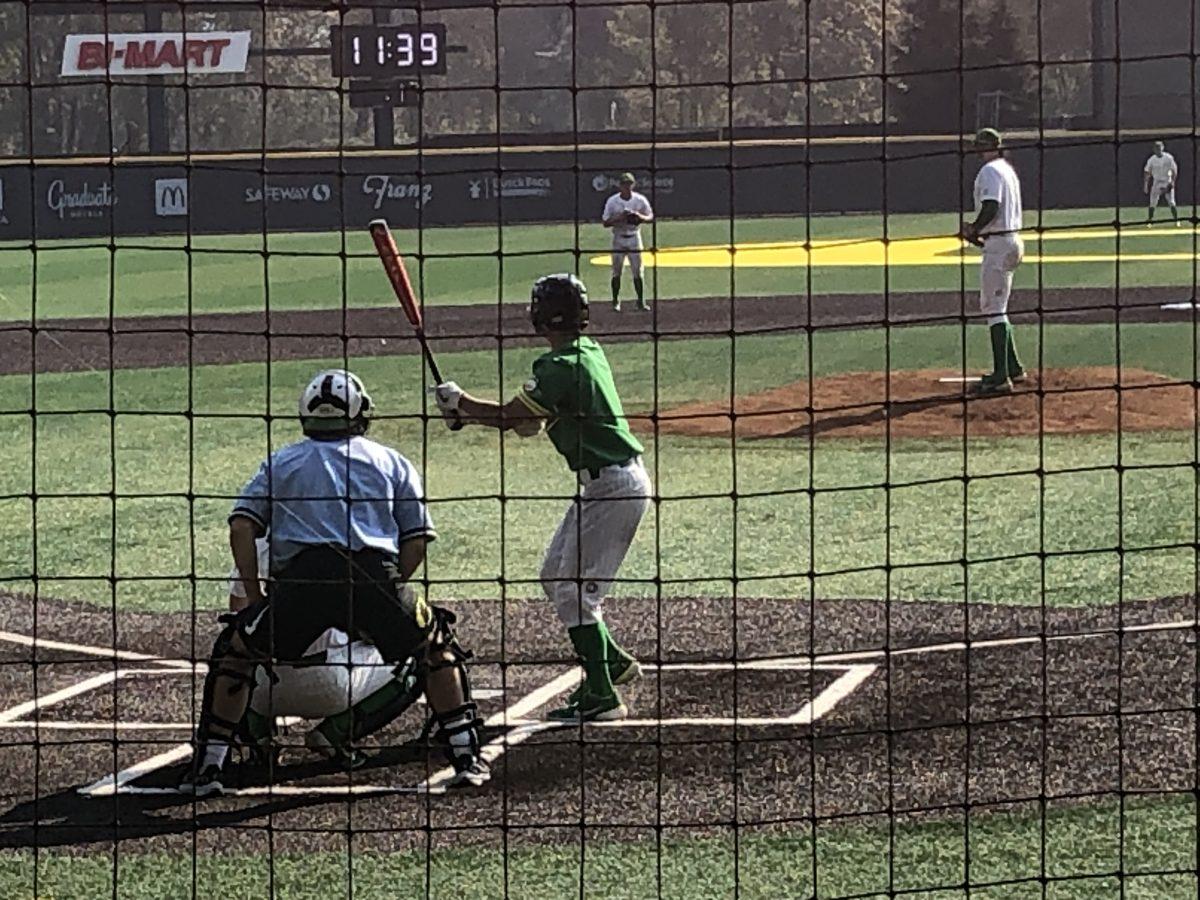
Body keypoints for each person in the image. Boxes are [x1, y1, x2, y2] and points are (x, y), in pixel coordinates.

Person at [179, 369, 488, 796]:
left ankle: (208, 768)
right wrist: (390, 593)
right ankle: (467, 755)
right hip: (372, 577)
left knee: (235, 650)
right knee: (436, 645)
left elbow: (241, 526)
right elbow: (416, 541)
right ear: (362, 413)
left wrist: (255, 597)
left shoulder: (280, 462)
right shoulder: (390, 461)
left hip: (300, 585)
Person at [432, 274, 651, 722]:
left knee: (574, 594)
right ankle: (612, 662)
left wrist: (460, 402)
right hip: (607, 485)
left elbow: (512, 417)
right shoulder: (586, 352)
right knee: (556, 576)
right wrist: (470, 415)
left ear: (541, 315)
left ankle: (602, 696)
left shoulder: (558, 367)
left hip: (614, 487)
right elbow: (530, 421)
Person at [228, 538, 424, 772]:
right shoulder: (355, 548)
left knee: (234, 653)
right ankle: (335, 733)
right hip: (332, 686)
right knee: (415, 654)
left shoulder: (257, 544)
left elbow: (237, 613)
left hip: (259, 689)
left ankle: (258, 738)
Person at [960, 128, 1025, 396]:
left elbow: (991, 206)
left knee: (992, 307)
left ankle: (1001, 377)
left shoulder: (989, 171)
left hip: (1000, 245)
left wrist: (974, 228)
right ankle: (1013, 367)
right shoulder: (1007, 169)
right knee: (999, 307)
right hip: (1011, 241)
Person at [601, 173, 654, 312]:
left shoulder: (639, 199)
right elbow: (605, 222)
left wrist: (639, 217)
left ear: (633, 185)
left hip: (634, 237)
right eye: (624, 184)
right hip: (618, 238)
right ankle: (615, 301)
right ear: (620, 186)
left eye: (629, 184)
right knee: (616, 271)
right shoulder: (613, 201)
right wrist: (620, 217)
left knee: (638, 271)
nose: (627, 187)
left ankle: (640, 302)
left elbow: (650, 216)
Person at [1144, 140, 1180, 226]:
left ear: (1163, 148)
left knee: (1171, 202)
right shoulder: (1152, 159)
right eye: (1156, 148)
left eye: (1159, 148)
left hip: (1167, 181)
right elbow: (1147, 172)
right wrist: (1145, 185)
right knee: (1153, 202)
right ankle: (1150, 221)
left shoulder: (1169, 158)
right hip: (1156, 182)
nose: (1158, 150)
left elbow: (1174, 170)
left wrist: (1172, 182)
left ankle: (1176, 220)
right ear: (1154, 149)